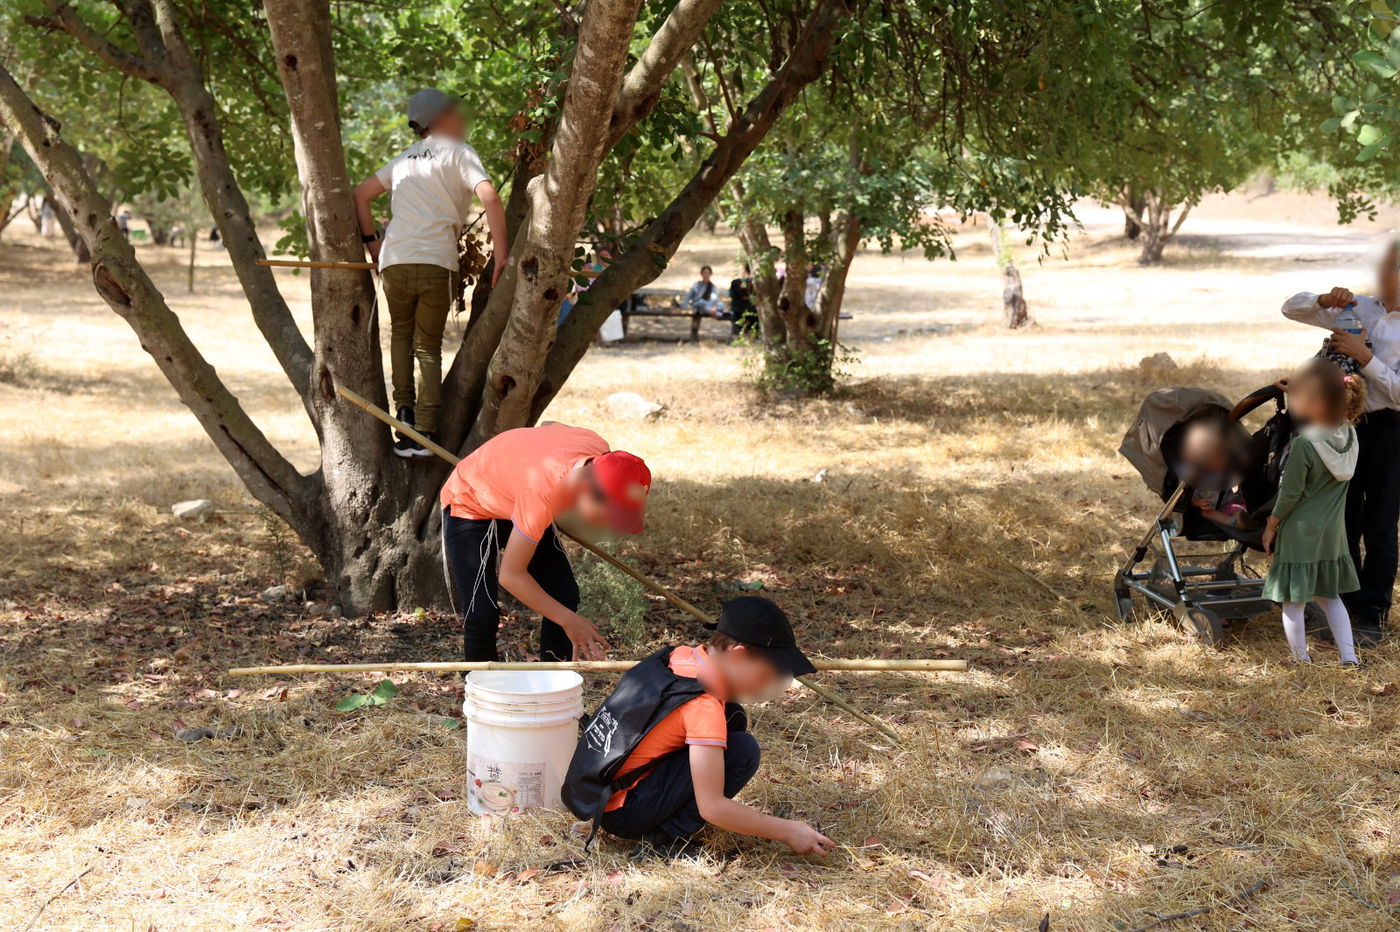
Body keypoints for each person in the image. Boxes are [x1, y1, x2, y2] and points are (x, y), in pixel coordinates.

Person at [563, 596, 836, 861]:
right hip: (623, 813)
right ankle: (663, 842)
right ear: (737, 655)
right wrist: (788, 831)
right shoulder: (703, 706)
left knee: (733, 716)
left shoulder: (677, 657)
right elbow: (713, 807)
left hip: (600, 793)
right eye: (766, 674)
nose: (767, 685)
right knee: (742, 750)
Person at [354, 88, 509, 458]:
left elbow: (359, 194)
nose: (464, 120)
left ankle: (403, 418)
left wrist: (373, 245)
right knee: (427, 346)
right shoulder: (458, 153)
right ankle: (425, 429)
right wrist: (502, 253)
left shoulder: (404, 160)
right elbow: (490, 196)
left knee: (401, 339)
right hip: (434, 260)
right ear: (439, 119)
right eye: (458, 113)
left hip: (395, 260)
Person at [439, 423, 649, 662]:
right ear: (587, 488)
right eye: (607, 516)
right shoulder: (540, 496)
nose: (607, 524)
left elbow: (548, 426)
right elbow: (511, 576)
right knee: (482, 612)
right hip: (472, 501)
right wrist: (569, 621)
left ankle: (552, 679)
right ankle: (479, 688)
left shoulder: (596, 447)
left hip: (518, 495)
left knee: (563, 593)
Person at [1282, 237, 1400, 645]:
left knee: (1381, 523)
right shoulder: (1360, 307)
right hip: (1344, 428)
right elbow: (1291, 307)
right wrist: (1322, 297)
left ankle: (1373, 613)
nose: (1385, 276)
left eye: (1393, 268)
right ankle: (1341, 608)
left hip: (1391, 431)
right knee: (1340, 518)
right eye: (1385, 267)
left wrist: (1365, 358)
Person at [1263, 359, 1365, 666]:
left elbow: (1290, 493)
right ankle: (1349, 658)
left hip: (1300, 532)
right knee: (1331, 598)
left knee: (1293, 602)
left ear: (1315, 403)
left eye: (1298, 397)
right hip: (1332, 534)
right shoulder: (1349, 437)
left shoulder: (1305, 445)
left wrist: (1272, 524)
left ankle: (1300, 659)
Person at [729, 265, 758, 339]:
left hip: (748, 310)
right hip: (742, 310)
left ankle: (739, 335)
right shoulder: (736, 283)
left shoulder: (736, 282)